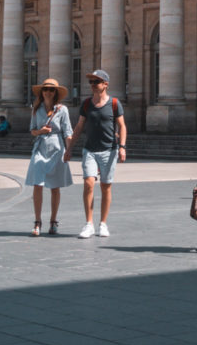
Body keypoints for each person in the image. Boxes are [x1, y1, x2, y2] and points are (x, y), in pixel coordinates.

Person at [64, 68, 127, 238]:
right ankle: (89, 223)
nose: (92, 85)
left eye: (96, 82)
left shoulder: (114, 103)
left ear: (105, 84)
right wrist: (69, 148)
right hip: (89, 149)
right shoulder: (86, 104)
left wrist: (122, 147)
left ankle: (103, 224)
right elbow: (79, 127)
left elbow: (122, 126)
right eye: (91, 82)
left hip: (109, 150)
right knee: (88, 183)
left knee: (106, 186)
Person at [25, 78, 74, 236]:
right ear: (41, 91)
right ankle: (37, 221)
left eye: (51, 90)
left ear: (56, 93)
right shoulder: (36, 108)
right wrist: (41, 131)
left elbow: (67, 131)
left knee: (55, 186)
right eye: (45, 89)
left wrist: (69, 149)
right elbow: (32, 130)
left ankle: (53, 221)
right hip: (40, 147)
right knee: (37, 184)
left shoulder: (62, 110)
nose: (48, 92)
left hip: (57, 147)